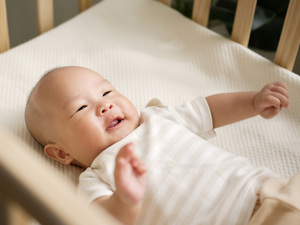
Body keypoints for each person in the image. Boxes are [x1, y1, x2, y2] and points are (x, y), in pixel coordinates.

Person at [25, 66, 299, 225]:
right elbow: (105, 219)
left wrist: (252, 102)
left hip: (265, 194)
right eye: (81, 108)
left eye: (107, 92)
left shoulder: (157, 118)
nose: (105, 105)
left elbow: (211, 109)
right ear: (61, 152)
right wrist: (125, 201)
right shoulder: (95, 177)